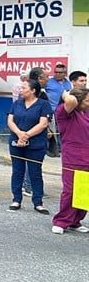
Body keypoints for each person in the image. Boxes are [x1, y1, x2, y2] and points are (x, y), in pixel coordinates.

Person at [7, 79, 52, 214]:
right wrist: (19, 134)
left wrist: (26, 135)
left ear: (33, 90)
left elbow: (43, 124)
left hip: (36, 144)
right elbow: (10, 120)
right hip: (16, 142)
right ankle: (16, 199)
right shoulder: (17, 104)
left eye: (24, 88)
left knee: (35, 173)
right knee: (17, 171)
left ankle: (38, 202)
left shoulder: (43, 105)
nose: (21, 90)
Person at [51, 88, 89, 234]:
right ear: (78, 101)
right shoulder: (64, 112)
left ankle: (75, 221)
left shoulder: (86, 112)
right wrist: (66, 93)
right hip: (73, 158)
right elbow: (70, 100)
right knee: (70, 191)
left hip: (87, 157)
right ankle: (61, 221)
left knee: (84, 191)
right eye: (86, 100)